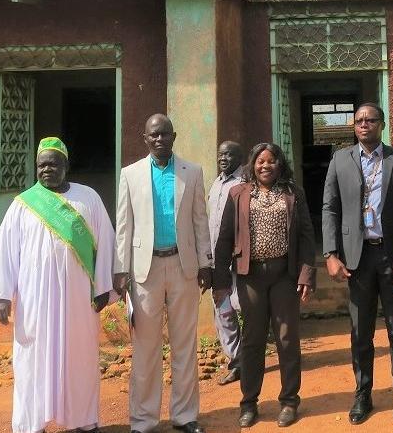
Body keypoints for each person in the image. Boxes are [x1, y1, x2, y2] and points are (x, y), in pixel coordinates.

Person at [0, 137, 115, 433]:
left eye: (53, 164)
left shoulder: (88, 198)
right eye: (42, 165)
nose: (47, 170)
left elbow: (105, 243)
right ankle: (31, 424)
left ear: (66, 165)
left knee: (79, 357)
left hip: (78, 300)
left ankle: (82, 420)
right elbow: (5, 251)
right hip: (35, 299)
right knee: (32, 360)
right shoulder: (23, 204)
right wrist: (2, 295)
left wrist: (103, 287)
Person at [114, 114, 211, 433]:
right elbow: (124, 226)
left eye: (164, 134)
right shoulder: (130, 175)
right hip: (146, 270)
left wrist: (206, 263)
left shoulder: (192, 172)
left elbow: (200, 220)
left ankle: (185, 416)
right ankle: (143, 420)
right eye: (153, 135)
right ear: (145, 139)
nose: (159, 139)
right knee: (146, 349)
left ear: (174, 136)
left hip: (183, 266)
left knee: (185, 345)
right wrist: (120, 268)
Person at [322, 102, 393, 425]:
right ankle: (363, 393)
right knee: (360, 331)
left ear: (382, 124)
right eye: (359, 120)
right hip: (356, 259)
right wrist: (330, 254)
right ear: (354, 126)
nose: (364, 124)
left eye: (371, 120)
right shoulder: (340, 160)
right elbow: (330, 207)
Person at [213, 143, 317, 428]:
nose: (265, 166)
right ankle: (249, 403)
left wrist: (306, 275)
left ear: (279, 164)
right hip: (251, 277)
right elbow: (224, 238)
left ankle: (289, 401)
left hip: (285, 275)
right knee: (253, 340)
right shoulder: (238, 194)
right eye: (260, 161)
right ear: (253, 165)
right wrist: (220, 281)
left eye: (271, 161)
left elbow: (307, 236)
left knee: (287, 338)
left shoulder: (293, 193)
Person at [207, 140, 246, 386]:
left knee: (244, 308)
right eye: (220, 155)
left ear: (240, 158)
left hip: (240, 260)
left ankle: (251, 357)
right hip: (216, 261)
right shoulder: (216, 184)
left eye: (229, 155)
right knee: (223, 311)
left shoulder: (246, 183)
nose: (223, 159)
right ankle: (236, 361)